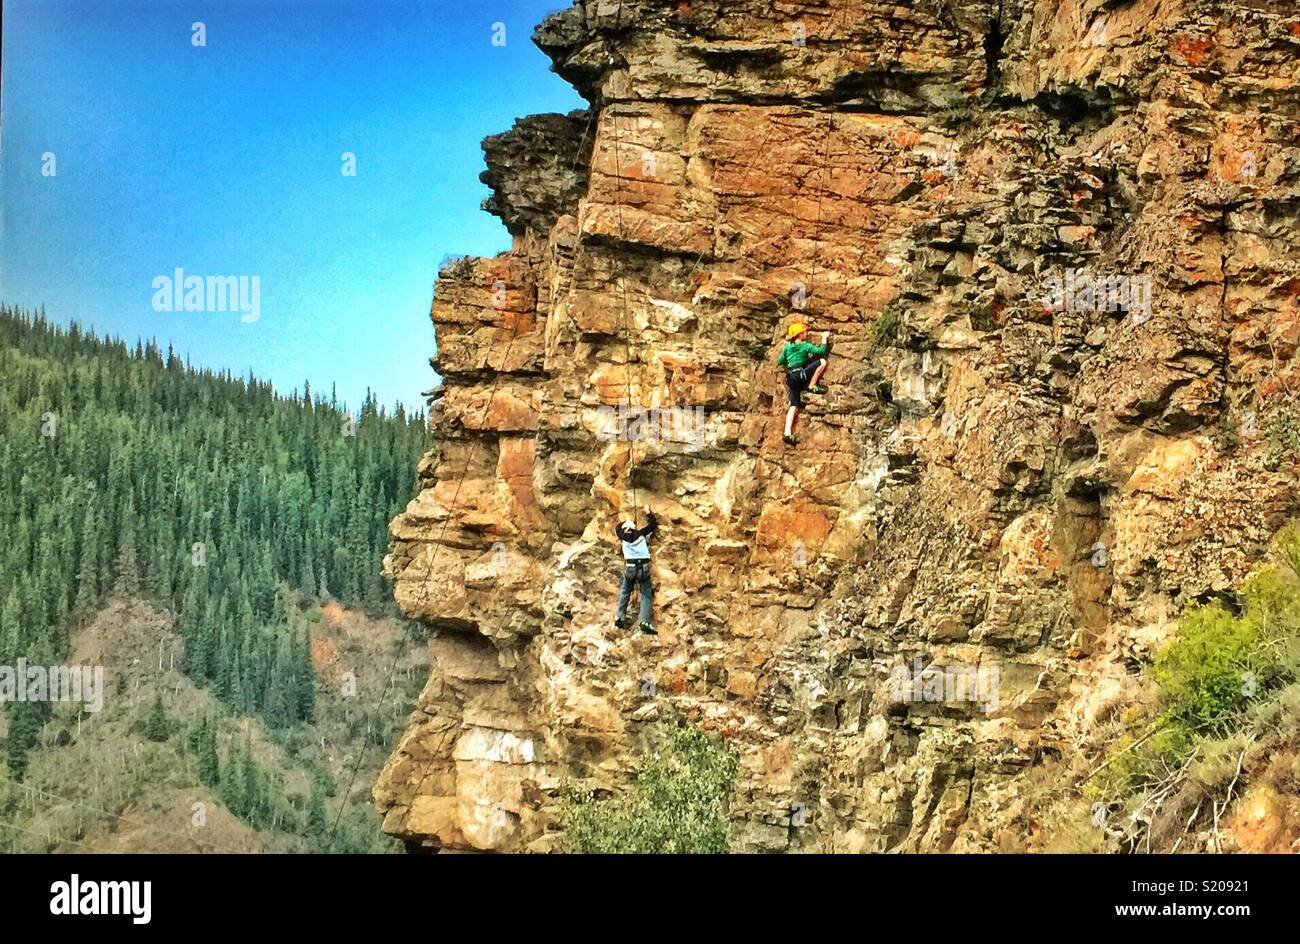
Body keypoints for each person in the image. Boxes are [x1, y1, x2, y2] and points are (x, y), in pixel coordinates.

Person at [776, 322, 830, 445]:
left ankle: (787, 433)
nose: (805, 333)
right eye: (803, 332)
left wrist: (788, 363)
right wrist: (824, 338)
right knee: (822, 362)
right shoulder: (804, 345)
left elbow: (779, 361)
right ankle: (812, 385)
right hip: (801, 374)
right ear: (799, 335)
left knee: (794, 405)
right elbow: (821, 351)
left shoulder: (787, 348)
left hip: (791, 378)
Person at [614, 510, 658, 634]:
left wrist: (625, 522)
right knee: (646, 593)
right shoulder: (641, 534)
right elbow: (653, 525)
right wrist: (649, 513)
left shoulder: (622, 536)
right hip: (643, 567)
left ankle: (619, 617)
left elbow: (617, 528)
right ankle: (645, 621)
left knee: (625, 591)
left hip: (630, 566)